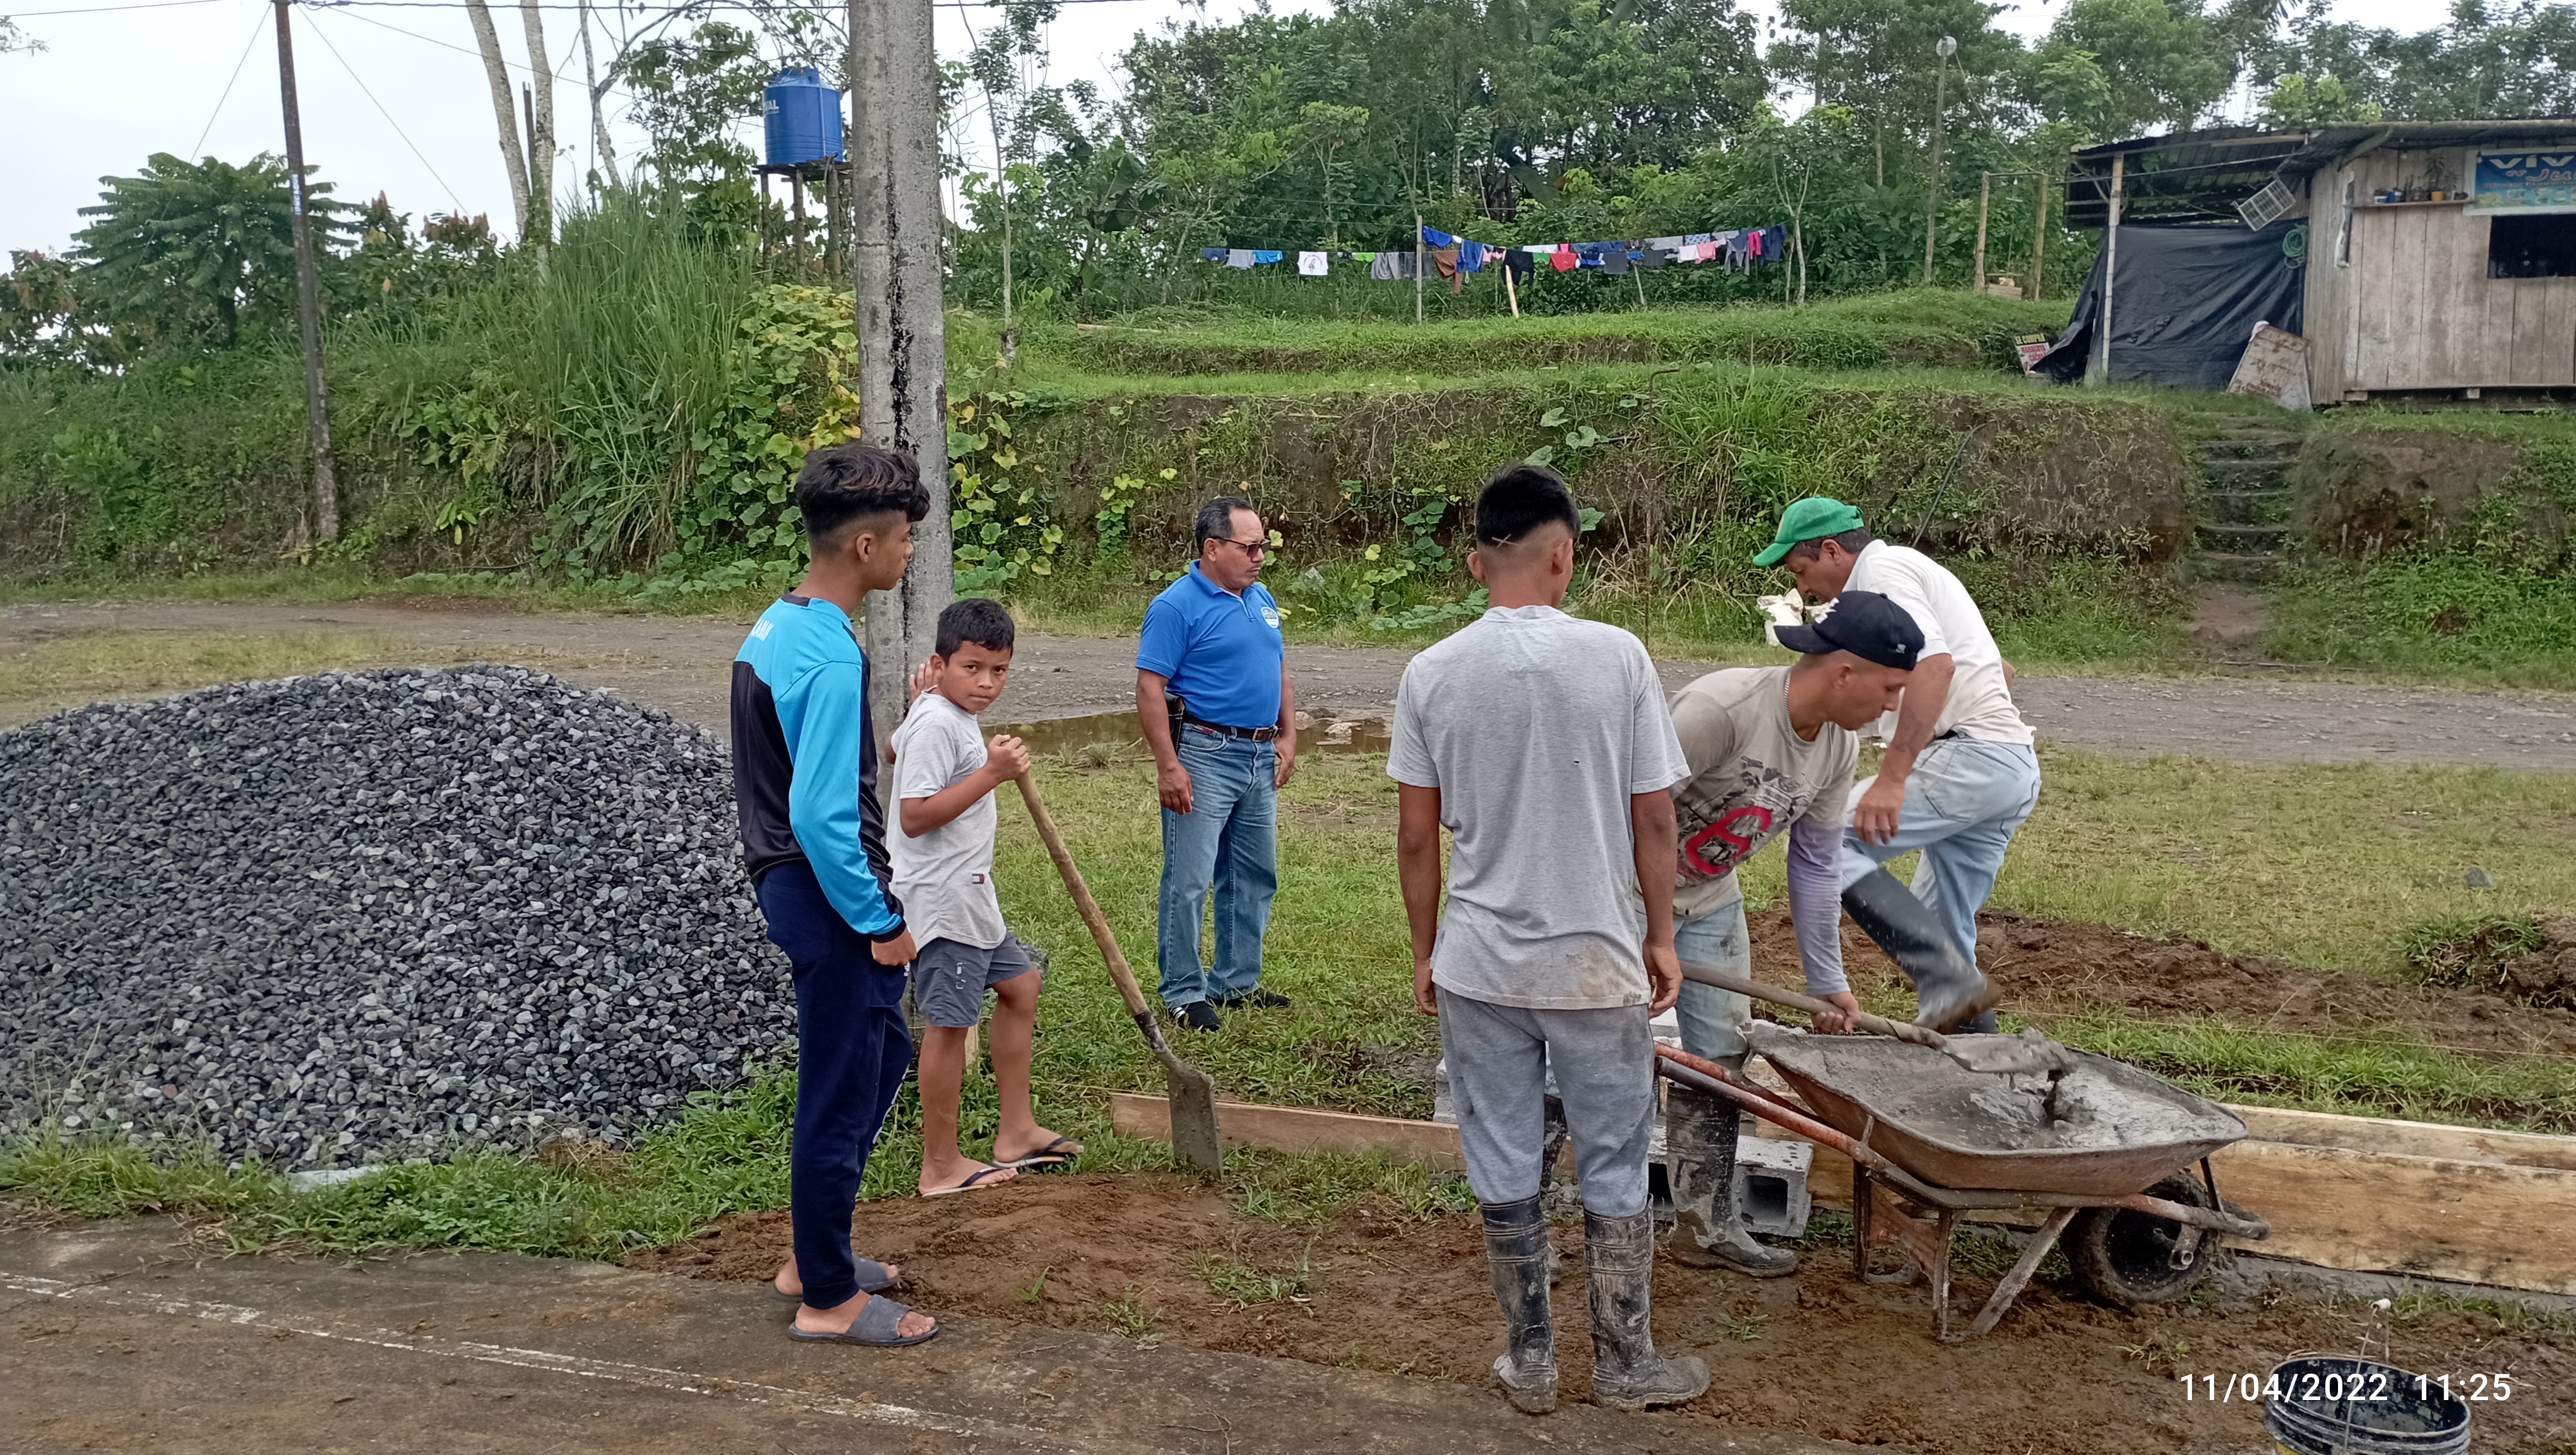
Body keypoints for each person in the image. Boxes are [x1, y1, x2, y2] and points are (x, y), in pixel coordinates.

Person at [1390, 462, 1707, 1416]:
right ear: (1562, 555)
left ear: (1476, 562)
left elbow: (1416, 837)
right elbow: (1656, 817)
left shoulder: (1431, 673)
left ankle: (1530, 1359)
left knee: (1501, 1151)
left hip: (1480, 962)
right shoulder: (1619, 659)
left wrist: (1425, 953)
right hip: (1595, 963)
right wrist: (1662, 936)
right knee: (1615, 1154)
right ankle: (1624, 1361)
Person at [729, 441, 939, 1348]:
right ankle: (827, 1299)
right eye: (904, 541)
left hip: (798, 886)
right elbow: (821, 816)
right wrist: (880, 919)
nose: (908, 554)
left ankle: (816, 1252)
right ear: (864, 545)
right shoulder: (829, 655)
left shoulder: (780, 626)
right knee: (840, 1086)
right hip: (825, 895)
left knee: (881, 1054)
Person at [1657, 591, 1925, 1277]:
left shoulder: (1837, 745)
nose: (1894, 705)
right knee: (1593, 1049)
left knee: (1718, 1061)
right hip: (1623, 896)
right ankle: (1541, 1227)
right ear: (1845, 672)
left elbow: (1813, 864)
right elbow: (1625, 815)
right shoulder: (1719, 712)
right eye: (1890, 688)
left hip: (1709, 900)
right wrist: (1642, 930)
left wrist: (1827, 980)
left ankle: (1703, 1229)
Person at [1755, 496, 2037, 1033]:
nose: (1803, 590)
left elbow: (1937, 665)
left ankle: (1954, 989)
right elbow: (2000, 669)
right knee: (1941, 934)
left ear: (1832, 550)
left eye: (1801, 571)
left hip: (1969, 757)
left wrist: (1894, 776)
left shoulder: (1883, 572)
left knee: (1830, 846)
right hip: (2009, 764)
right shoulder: (1913, 570)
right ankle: (1982, 1060)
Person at [890, 597, 1085, 1197]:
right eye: (971, 668)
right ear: (940, 663)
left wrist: (922, 702)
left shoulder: (937, 709)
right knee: (950, 1025)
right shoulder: (937, 721)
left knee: (1021, 985)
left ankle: (1017, 1130)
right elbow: (915, 815)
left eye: (998, 671)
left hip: (971, 894)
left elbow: (895, 750)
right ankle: (940, 1165)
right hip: (943, 897)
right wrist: (991, 774)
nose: (986, 683)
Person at [1135, 496, 1299, 1033]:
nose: (1260, 556)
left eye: (1263, 546)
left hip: (1258, 753)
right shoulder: (1175, 606)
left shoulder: (1260, 597)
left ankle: (1235, 981)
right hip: (1205, 752)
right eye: (1249, 547)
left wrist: (1288, 733)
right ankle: (1183, 992)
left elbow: (1278, 667)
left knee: (1254, 874)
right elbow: (1150, 687)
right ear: (1212, 548)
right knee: (1190, 879)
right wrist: (1169, 765)